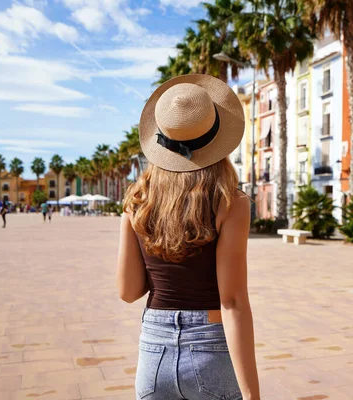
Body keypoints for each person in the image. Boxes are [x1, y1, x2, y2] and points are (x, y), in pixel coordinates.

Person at [117, 75, 260, 400]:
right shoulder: (230, 202)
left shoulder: (137, 200)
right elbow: (233, 301)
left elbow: (127, 291)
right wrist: (252, 394)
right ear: (218, 140)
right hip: (210, 347)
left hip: (154, 353)